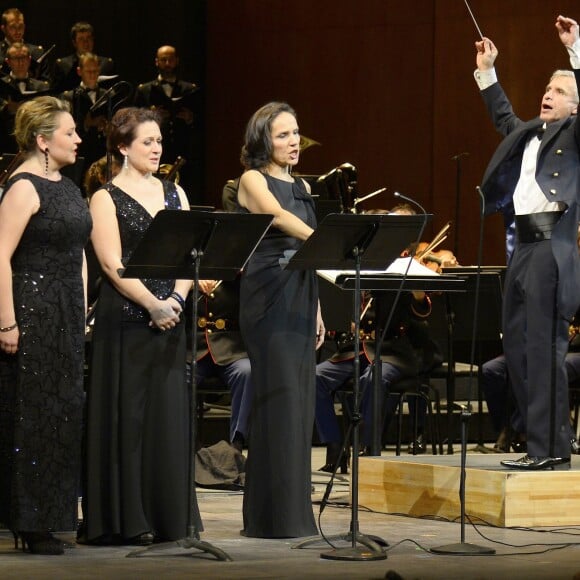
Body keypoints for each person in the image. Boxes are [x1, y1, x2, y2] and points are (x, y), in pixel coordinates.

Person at [79, 107, 199, 545]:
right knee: (128, 419)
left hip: (170, 317)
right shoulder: (104, 197)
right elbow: (112, 265)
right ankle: (126, 520)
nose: (156, 148)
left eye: (159, 140)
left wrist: (176, 300)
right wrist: (151, 303)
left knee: (166, 420)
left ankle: (168, 517)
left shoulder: (176, 194)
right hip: (127, 318)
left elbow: (190, 257)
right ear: (123, 147)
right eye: (147, 141)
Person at [474, 15, 580, 470]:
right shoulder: (528, 134)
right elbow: (503, 116)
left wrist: (576, 51)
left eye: (559, 91)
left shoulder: (573, 136)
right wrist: (488, 71)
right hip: (520, 248)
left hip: (551, 248)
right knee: (517, 348)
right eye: (548, 88)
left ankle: (550, 449)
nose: (548, 94)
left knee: (542, 349)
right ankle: (537, 442)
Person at [0, 96, 91, 555]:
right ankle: (29, 522)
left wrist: (83, 309)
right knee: (33, 415)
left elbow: (78, 252)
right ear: (42, 140)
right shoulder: (23, 187)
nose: (78, 138)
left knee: (62, 412)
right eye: (69, 132)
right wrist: (6, 322)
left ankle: (54, 515)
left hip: (67, 314)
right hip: (31, 311)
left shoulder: (69, 187)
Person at [236, 101, 325, 538]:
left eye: (295, 134)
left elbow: (307, 252)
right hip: (268, 293)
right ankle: (271, 519)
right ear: (263, 140)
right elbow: (279, 217)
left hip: (301, 293)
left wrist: (319, 306)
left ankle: (294, 514)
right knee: (279, 399)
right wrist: (330, 241)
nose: (293, 142)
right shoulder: (253, 179)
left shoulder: (303, 183)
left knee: (299, 403)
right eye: (283, 135)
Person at [133, 45, 199, 199]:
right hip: (154, 151)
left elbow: (201, 125)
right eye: (163, 60)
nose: (167, 63)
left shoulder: (190, 89)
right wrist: (151, 116)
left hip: (184, 152)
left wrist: (190, 118)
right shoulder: (144, 90)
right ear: (157, 62)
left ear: (176, 61)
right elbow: (133, 123)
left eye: (170, 59)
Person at [195, 278, 253, 451]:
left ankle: (237, 443)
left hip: (231, 347)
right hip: (195, 348)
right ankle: (186, 442)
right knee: (179, 375)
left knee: (247, 372)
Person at [61, 53, 109, 189]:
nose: (93, 75)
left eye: (95, 71)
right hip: (79, 154)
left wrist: (107, 126)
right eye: (89, 71)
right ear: (79, 71)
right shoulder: (69, 96)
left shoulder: (109, 95)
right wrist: (86, 124)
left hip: (102, 154)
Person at [0, 43, 50, 153]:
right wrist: (7, 110)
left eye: (24, 58)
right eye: (16, 58)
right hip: (5, 144)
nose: (21, 62)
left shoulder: (42, 87)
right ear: (8, 62)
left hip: (34, 144)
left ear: (29, 60)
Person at [54, 22, 115, 92]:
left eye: (89, 38)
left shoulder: (106, 64)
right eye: (81, 39)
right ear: (74, 43)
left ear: (93, 40)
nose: (86, 42)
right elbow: (56, 94)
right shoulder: (63, 65)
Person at [0, 8, 51, 83]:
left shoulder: (37, 52)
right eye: (13, 27)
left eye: (21, 26)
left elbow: (45, 83)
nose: (18, 31)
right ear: (3, 29)